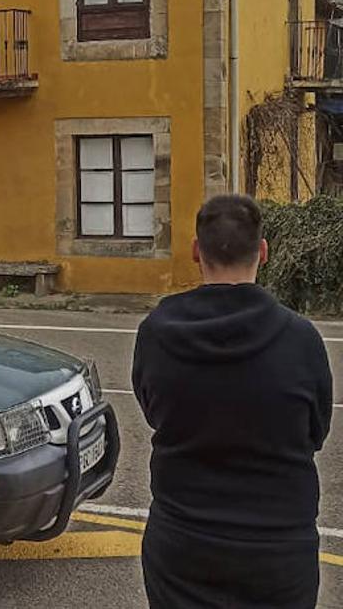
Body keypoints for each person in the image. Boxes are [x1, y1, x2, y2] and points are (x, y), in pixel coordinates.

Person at [132, 194, 333, 608]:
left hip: (183, 540)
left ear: (194, 251)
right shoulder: (301, 339)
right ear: (263, 251)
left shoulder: (156, 333)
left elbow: (154, 412)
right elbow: (315, 432)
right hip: (278, 548)